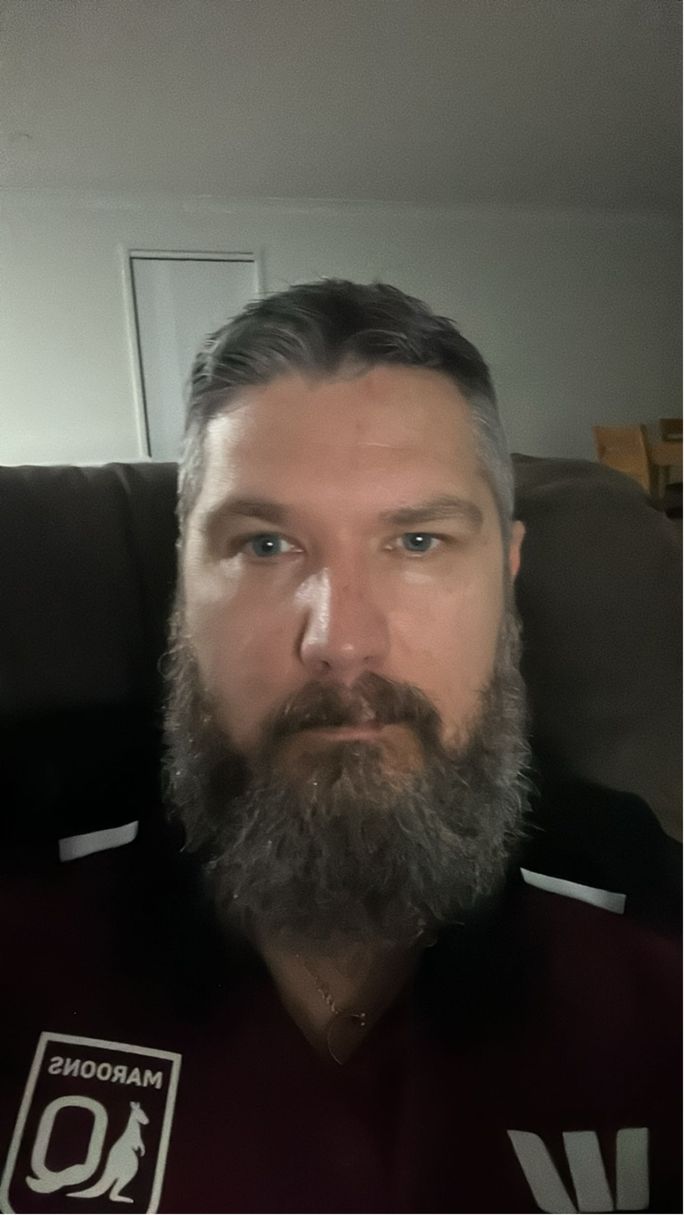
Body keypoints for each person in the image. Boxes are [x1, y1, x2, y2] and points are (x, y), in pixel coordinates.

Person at [0, 281, 679, 1214]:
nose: (342, 641)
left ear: (508, 568)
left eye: (418, 540)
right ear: (185, 574)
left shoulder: (650, 931)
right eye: (266, 544)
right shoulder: (25, 888)